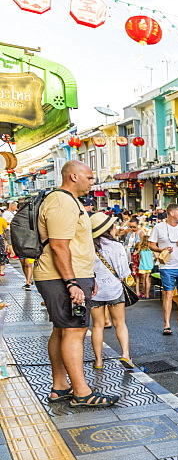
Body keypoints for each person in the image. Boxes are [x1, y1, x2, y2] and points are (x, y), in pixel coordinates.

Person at [35, 162, 117, 407]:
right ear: (74, 176)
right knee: (74, 330)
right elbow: (59, 246)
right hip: (60, 276)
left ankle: (60, 386)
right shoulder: (62, 203)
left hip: (65, 274)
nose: (92, 182)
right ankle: (82, 392)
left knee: (62, 329)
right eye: (89, 177)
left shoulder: (68, 201)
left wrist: (86, 276)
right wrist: (72, 282)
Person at [89, 213, 132, 369]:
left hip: (94, 290)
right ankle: (125, 355)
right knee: (120, 323)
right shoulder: (116, 246)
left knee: (97, 325)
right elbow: (124, 272)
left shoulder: (88, 246)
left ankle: (98, 361)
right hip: (114, 289)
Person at [149, 204, 178, 335]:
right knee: (168, 294)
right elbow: (151, 244)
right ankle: (167, 324)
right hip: (167, 266)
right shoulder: (159, 228)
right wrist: (161, 250)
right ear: (171, 213)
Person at [136, 231, 154, 298]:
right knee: (148, 280)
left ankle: (144, 292)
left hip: (142, 266)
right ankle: (147, 294)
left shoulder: (141, 249)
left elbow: (139, 258)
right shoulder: (151, 249)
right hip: (149, 266)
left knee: (143, 280)